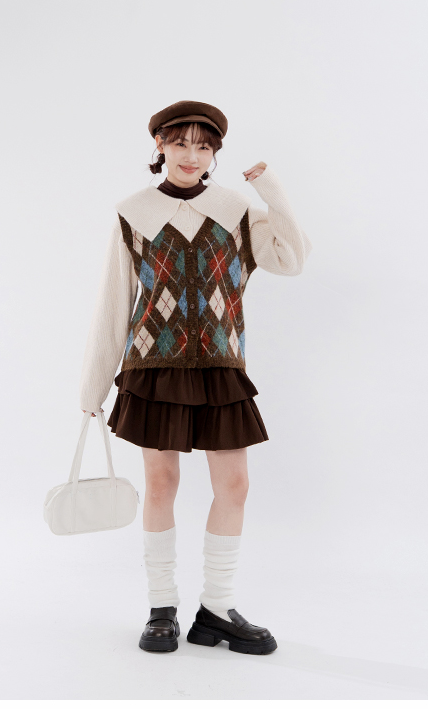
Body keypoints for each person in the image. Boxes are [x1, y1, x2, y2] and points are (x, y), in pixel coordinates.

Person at [79, 99, 312, 655]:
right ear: (159, 145)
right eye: (180, 143)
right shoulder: (133, 212)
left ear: (215, 154)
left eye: (204, 146)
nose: (192, 155)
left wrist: (271, 191)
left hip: (220, 369)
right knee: (162, 484)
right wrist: (93, 385)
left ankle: (217, 609)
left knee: (235, 485)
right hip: (153, 368)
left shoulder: (235, 209)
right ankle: (161, 607)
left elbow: (293, 258)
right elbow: (115, 300)